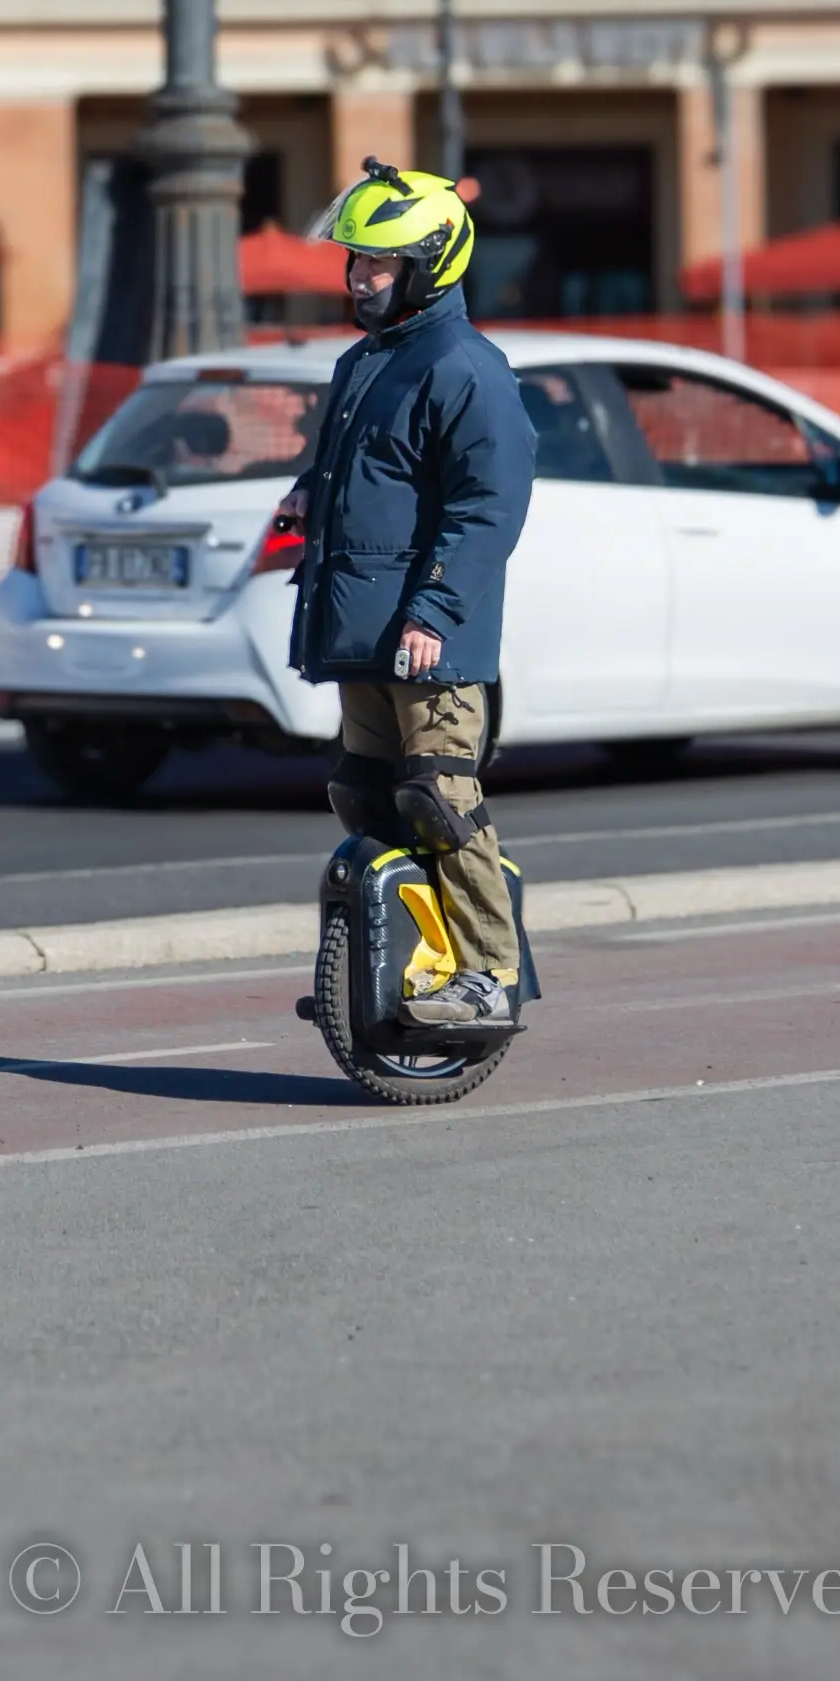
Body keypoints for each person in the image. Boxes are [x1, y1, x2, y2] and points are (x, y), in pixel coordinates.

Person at [277, 159, 536, 1031]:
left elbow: (487, 507)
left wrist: (434, 609)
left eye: (379, 264)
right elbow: (365, 464)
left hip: (428, 635)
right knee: (364, 793)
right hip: (364, 625)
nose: (360, 278)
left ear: (430, 263)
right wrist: (312, 488)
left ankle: (489, 971)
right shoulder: (366, 363)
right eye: (355, 262)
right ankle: (397, 961)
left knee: (439, 796)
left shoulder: (466, 367)